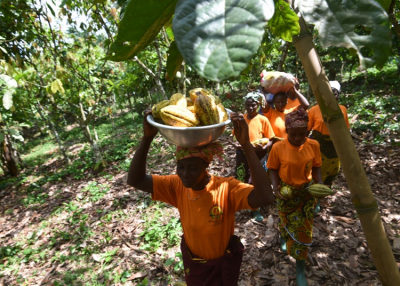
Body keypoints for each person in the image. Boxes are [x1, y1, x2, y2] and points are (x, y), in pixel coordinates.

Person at [127, 109, 275, 286]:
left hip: (221, 266)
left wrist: (246, 145)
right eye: (180, 167)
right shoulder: (177, 185)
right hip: (195, 265)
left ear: (206, 165)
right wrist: (147, 138)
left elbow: (265, 197)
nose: (185, 174)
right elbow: (135, 180)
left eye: (192, 168)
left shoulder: (225, 188)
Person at [266, 109, 323, 286]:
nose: (299, 138)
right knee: (285, 220)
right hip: (286, 192)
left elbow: (317, 167)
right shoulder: (278, 147)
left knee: (304, 231)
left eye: (303, 134)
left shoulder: (313, 145)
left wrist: (320, 188)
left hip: (306, 192)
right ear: (287, 131)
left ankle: (300, 269)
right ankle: (284, 236)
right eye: (294, 134)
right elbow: (272, 168)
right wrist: (275, 187)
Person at [308, 81, 350, 214]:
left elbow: (345, 129)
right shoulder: (314, 109)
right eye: (329, 92)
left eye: (335, 93)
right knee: (315, 171)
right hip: (318, 145)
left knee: (331, 172)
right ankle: (312, 200)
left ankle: (320, 198)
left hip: (335, 146)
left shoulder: (342, 109)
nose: (332, 96)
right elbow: (307, 130)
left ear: (339, 95)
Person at [232, 92, 275, 222]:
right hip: (242, 155)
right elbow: (234, 137)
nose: (250, 108)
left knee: (255, 180)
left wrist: (265, 146)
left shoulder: (263, 119)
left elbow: (271, 138)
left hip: (258, 155)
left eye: (253, 105)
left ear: (258, 105)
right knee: (241, 178)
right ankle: (241, 202)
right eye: (248, 105)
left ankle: (255, 208)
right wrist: (236, 144)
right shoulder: (242, 118)